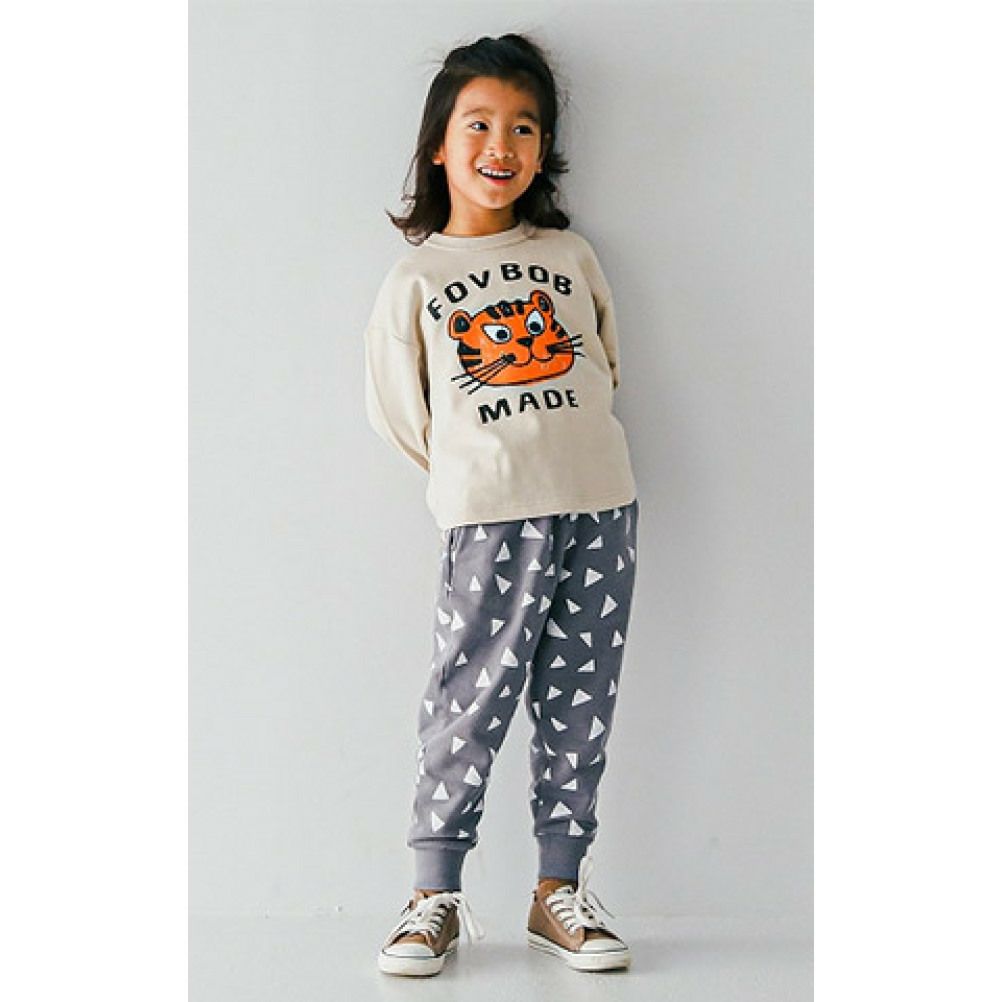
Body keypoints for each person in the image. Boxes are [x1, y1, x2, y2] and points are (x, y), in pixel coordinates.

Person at [364, 32, 640, 977]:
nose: (502, 144)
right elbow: (400, 412)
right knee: (470, 696)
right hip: (489, 514)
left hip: (600, 503)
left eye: (525, 127)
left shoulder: (570, 254)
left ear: (544, 149)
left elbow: (606, 365)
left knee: (581, 698)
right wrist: (477, 473)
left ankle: (558, 890)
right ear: (439, 146)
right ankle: (431, 894)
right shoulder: (417, 278)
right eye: (478, 124)